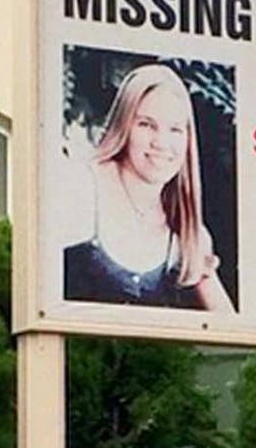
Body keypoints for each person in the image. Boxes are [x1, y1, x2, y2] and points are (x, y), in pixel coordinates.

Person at [64, 63, 233, 311]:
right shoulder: (83, 186)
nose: (161, 143)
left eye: (175, 129)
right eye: (146, 124)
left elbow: (229, 325)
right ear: (124, 125)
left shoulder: (188, 232)